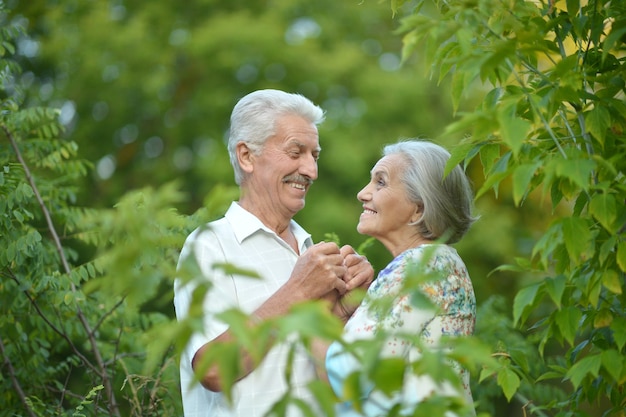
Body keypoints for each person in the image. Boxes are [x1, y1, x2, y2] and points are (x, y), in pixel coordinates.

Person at [173, 89, 374, 417]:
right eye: (296, 152)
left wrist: (344, 315)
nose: (311, 170)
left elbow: (337, 388)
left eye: (315, 155)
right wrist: (298, 291)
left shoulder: (311, 253)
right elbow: (211, 371)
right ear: (246, 156)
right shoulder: (210, 244)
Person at [324, 139, 478, 416]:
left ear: (418, 209)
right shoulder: (440, 263)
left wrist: (306, 314)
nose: (362, 193)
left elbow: (350, 372)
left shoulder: (420, 267)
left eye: (380, 183)